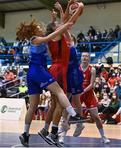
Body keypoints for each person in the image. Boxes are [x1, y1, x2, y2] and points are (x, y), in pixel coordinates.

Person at [17, 19, 84, 147]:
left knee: (33, 106)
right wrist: (64, 27)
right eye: (39, 27)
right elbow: (51, 35)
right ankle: (74, 115)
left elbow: (53, 39)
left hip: (32, 73)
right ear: (34, 31)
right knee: (59, 91)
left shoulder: (41, 41)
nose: (41, 28)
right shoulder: (35, 39)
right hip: (38, 71)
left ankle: (25, 134)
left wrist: (56, 22)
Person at [38, 0, 86, 146]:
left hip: (57, 69)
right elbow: (68, 23)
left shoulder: (59, 37)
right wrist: (80, 9)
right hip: (58, 69)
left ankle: (45, 131)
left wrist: (60, 13)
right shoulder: (56, 36)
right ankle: (53, 133)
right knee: (60, 104)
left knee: (54, 105)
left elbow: (65, 23)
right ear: (55, 30)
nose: (61, 25)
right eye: (57, 25)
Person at [73, 52, 110, 144]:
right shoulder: (76, 68)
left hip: (88, 93)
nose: (84, 58)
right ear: (81, 58)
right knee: (71, 114)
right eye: (83, 56)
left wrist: (83, 90)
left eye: (86, 56)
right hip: (78, 93)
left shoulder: (92, 69)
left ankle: (103, 136)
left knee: (96, 117)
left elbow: (91, 84)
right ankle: (63, 134)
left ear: (89, 58)